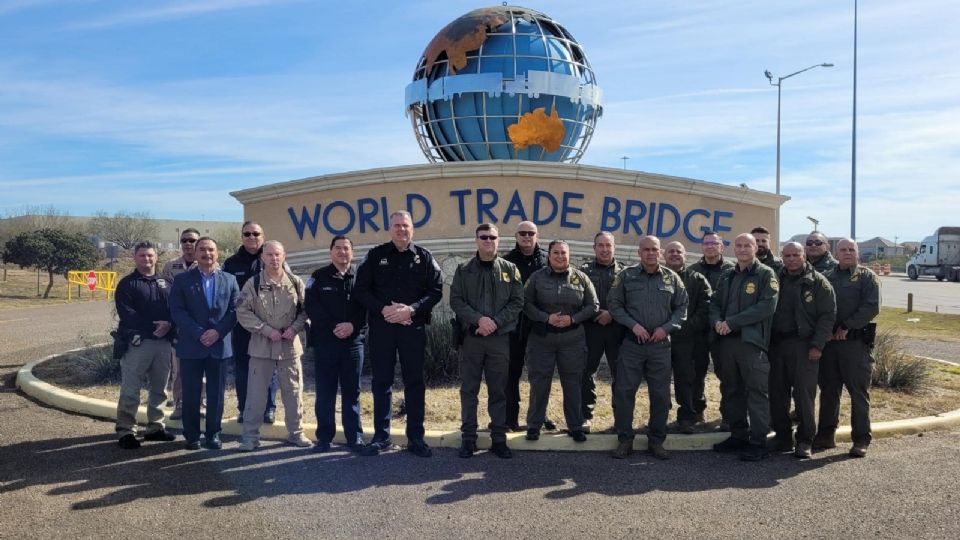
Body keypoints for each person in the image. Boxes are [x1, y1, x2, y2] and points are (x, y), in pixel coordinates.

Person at [353, 210, 443, 457]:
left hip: (412, 329)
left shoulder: (424, 257)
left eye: (405, 226)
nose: (401, 230)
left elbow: (436, 291)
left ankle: (416, 438)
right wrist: (385, 310)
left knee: (415, 382)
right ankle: (381, 437)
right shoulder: (375, 256)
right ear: (389, 229)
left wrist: (410, 310)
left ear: (412, 229)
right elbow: (361, 290)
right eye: (396, 226)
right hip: (382, 329)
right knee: (381, 382)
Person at [607, 236, 688, 459]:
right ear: (639, 252)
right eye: (646, 250)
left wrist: (667, 328)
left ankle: (656, 441)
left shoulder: (672, 278)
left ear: (660, 252)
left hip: (660, 346)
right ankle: (624, 440)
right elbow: (614, 305)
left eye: (654, 249)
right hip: (633, 345)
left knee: (660, 395)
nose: (650, 253)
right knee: (624, 393)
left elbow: (682, 308)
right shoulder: (625, 276)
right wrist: (633, 326)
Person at [449, 224, 524, 459]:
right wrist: (479, 320)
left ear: (498, 240)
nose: (488, 241)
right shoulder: (463, 270)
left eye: (493, 237)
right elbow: (456, 301)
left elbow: (517, 301)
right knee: (469, 390)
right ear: (476, 240)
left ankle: (499, 440)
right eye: (484, 237)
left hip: (499, 339)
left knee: (498, 390)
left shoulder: (510, 269)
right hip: (472, 339)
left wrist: (495, 322)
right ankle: (468, 439)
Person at [235, 241, 312, 452]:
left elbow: (306, 310)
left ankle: (296, 433)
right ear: (262, 258)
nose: (274, 258)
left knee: (293, 392)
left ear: (284, 256)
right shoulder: (253, 283)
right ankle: (250, 437)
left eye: (277, 254)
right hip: (261, 346)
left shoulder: (295, 282)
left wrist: (295, 328)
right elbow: (242, 312)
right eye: (269, 255)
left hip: (289, 347)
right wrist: (266, 330)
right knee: (256, 394)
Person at [710, 233, 779, 461]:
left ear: (755, 247)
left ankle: (759, 442)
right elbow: (715, 303)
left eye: (747, 245)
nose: (742, 249)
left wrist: (732, 323)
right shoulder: (727, 275)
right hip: (727, 343)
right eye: (738, 245)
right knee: (731, 390)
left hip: (751, 343)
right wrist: (717, 322)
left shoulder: (765, 274)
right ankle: (738, 436)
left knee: (756, 393)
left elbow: (766, 307)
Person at [522, 240, 598, 443]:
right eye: (556, 252)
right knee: (539, 383)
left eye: (564, 253)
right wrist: (545, 318)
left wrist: (573, 319)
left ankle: (575, 426)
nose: (560, 256)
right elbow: (525, 303)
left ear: (569, 255)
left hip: (572, 340)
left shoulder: (581, 278)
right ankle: (534, 425)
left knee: (572, 384)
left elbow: (593, 305)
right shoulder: (536, 277)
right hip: (541, 339)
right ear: (549, 255)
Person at [169, 237, 240, 450]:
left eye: (211, 250)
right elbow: (177, 311)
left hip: (219, 346)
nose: (206, 254)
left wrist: (218, 332)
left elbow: (235, 310)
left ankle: (213, 434)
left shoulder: (230, 279)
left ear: (217, 253)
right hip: (192, 345)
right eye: (202, 250)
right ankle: (191, 435)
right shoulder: (182, 280)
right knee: (190, 393)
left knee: (216, 395)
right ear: (195, 253)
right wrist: (199, 333)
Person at [768, 242, 836, 458]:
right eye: (786, 255)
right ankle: (782, 437)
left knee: (804, 395)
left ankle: (805, 440)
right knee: (777, 394)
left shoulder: (819, 282)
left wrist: (817, 345)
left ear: (803, 255)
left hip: (804, 346)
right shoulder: (775, 278)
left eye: (795, 254)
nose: (791, 259)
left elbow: (828, 316)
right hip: (777, 345)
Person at [814, 239, 880, 458]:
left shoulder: (866, 277)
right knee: (829, 391)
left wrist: (847, 326)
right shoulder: (827, 277)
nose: (847, 253)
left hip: (855, 345)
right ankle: (825, 435)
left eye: (851, 249)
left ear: (857, 253)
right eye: (843, 250)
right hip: (830, 344)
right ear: (836, 253)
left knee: (858, 393)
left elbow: (871, 307)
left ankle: (861, 439)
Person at [305, 235, 366, 453]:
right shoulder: (318, 277)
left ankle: (355, 437)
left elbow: (367, 307)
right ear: (331, 252)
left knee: (352, 392)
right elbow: (312, 306)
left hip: (353, 342)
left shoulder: (361, 277)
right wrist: (334, 326)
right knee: (325, 392)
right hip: (326, 343)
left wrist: (352, 325)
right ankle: (324, 438)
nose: (342, 252)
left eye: (346, 248)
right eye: (338, 248)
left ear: (352, 252)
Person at [114, 241, 177, 449]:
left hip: (163, 344)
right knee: (131, 389)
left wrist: (169, 325)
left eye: (150, 255)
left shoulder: (166, 283)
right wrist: (153, 327)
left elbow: (176, 309)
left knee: (159, 389)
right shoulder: (127, 284)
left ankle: (155, 427)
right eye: (142, 256)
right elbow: (127, 315)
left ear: (156, 257)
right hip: (138, 343)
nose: (147, 259)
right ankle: (126, 430)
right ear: (135, 258)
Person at [502, 221, 556, 432]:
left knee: (540, 374)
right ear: (516, 236)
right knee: (511, 373)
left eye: (530, 233)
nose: (526, 236)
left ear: (537, 235)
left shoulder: (546, 260)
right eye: (522, 233)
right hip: (514, 327)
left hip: (540, 325)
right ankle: (509, 418)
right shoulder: (506, 262)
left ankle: (539, 416)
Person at [223, 221, 279, 425]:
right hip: (242, 326)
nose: (251, 237)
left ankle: (268, 408)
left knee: (269, 368)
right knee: (243, 369)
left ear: (263, 236)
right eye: (247, 234)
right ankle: (244, 408)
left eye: (256, 233)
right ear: (241, 237)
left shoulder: (272, 259)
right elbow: (226, 294)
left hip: (269, 325)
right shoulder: (230, 263)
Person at [663, 240, 712, 434]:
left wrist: (685, 327)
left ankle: (687, 418)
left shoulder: (697, 279)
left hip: (688, 340)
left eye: (679, 251)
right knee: (659, 381)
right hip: (660, 338)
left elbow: (706, 307)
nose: (675, 254)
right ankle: (659, 418)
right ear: (664, 255)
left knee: (687, 379)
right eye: (671, 251)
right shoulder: (655, 276)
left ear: (685, 255)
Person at [579, 231, 625, 432]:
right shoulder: (583, 271)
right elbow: (577, 299)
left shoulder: (626, 272)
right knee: (586, 372)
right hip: (591, 329)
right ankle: (585, 417)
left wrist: (612, 314)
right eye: (601, 245)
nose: (605, 249)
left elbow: (631, 301)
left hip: (618, 330)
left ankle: (621, 418)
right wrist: (597, 313)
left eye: (608, 245)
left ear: (614, 247)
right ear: (594, 248)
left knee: (621, 374)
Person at [689, 230, 734, 425]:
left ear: (722, 247)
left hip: (723, 331)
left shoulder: (732, 271)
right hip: (698, 332)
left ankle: (729, 413)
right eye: (707, 243)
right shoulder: (692, 270)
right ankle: (696, 411)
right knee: (695, 373)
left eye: (714, 243)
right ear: (702, 246)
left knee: (727, 374)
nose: (710, 247)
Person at [161, 227, 200, 420]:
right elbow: (164, 294)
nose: (188, 243)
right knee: (179, 370)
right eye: (184, 240)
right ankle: (179, 405)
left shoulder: (209, 264)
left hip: (201, 326)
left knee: (201, 370)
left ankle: (201, 404)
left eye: (192, 240)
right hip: (178, 326)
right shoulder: (170, 266)